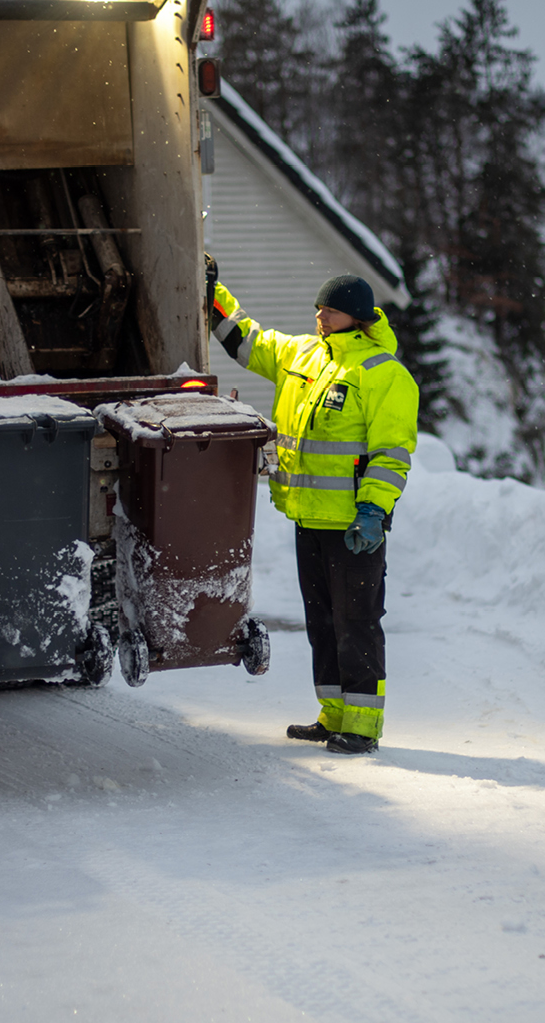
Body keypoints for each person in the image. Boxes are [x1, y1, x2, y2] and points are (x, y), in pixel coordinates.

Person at [205, 260, 418, 755]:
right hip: (308, 518)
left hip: (353, 526)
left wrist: (373, 512)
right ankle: (333, 714)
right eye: (319, 308)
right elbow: (245, 338)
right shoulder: (302, 354)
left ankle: (362, 726)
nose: (320, 317)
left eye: (331, 310)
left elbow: (392, 454)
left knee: (357, 622)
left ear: (357, 317)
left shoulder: (383, 374)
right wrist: (212, 292)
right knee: (322, 622)